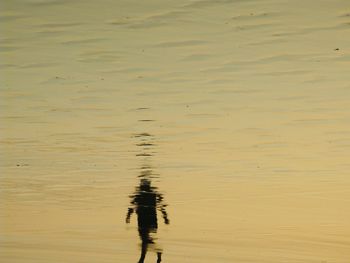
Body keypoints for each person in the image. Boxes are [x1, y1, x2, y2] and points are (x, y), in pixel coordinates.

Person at [126, 178, 169, 263]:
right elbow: (161, 206)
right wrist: (165, 217)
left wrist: (128, 216)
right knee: (145, 239)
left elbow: (132, 206)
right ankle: (145, 257)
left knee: (144, 239)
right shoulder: (153, 194)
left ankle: (145, 257)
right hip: (152, 218)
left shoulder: (139, 194)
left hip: (143, 218)